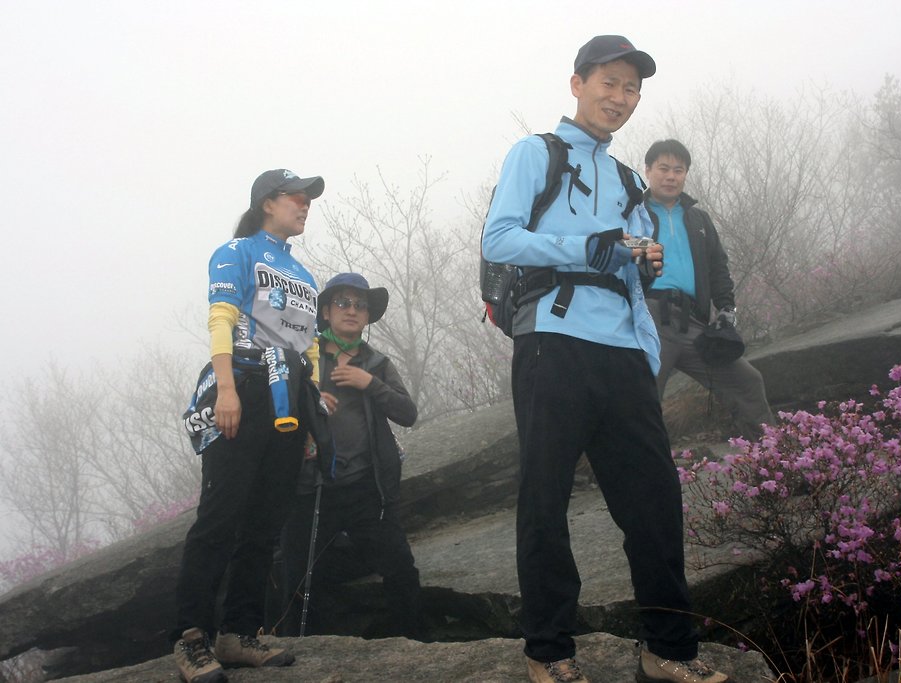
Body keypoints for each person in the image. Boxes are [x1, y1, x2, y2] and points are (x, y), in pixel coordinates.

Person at [481, 35, 728, 683]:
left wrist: (639, 267)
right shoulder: (536, 154)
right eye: (609, 83)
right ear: (577, 84)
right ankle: (550, 651)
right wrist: (597, 243)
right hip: (551, 343)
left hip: (622, 354)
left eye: (632, 89)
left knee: (655, 499)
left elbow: (629, 276)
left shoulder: (626, 180)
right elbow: (500, 236)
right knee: (545, 499)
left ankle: (668, 649)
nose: (620, 98)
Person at [173, 169, 331, 683]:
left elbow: (307, 347)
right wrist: (225, 389)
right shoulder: (236, 251)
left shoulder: (305, 277)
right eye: (297, 197)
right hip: (240, 385)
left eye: (309, 199)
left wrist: (311, 415)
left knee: (266, 522)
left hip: (289, 398)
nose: (305, 205)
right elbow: (221, 317)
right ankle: (191, 637)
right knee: (220, 517)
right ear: (267, 202)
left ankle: (239, 633)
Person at [273, 272, 423, 639]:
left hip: (365, 489)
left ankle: (418, 644)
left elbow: (407, 413)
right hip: (312, 488)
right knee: (294, 574)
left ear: (368, 315)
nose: (352, 310)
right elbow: (279, 408)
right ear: (325, 311)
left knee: (401, 567)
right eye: (343, 302)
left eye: (360, 305)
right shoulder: (303, 356)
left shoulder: (377, 364)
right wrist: (310, 406)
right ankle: (301, 655)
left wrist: (369, 384)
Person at [643, 139, 774, 441]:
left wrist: (726, 308)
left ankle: (777, 465)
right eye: (663, 168)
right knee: (643, 399)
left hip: (692, 322)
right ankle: (635, 481)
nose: (671, 176)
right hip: (648, 320)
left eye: (679, 169)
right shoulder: (634, 214)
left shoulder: (697, 218)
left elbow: (718, 266)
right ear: (648, 170)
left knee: (747, 382)